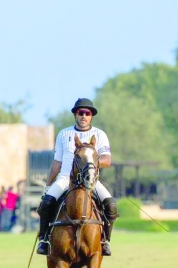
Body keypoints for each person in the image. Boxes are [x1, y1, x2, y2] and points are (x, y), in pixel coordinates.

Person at [35, 98, 118, 256]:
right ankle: (44, 240)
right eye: (81, 113)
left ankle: (105, 240)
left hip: (92, 181)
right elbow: (57, 163)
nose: (84, 116)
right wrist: (48, 185)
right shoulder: (64, 134)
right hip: (66, 178)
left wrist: (90, 163)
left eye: (87, 113)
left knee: (111, 206)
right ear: (75, 115)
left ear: (91, 116)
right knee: (46, 204)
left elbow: (107, 160)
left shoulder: (100, 135)